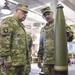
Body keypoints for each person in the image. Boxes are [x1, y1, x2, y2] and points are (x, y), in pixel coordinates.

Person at [37, 6, 74, 75]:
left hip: (58, 60)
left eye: (48, 14)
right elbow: (41, 45)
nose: (47, 16)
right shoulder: (43, 29)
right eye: (45, 15)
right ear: (43, 18)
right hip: (47, 61)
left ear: (52, 14)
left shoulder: (59, 23)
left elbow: (70, 38)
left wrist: (67, 32)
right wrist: (39, 58)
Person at [0, 4, 29, 75]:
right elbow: (3, 41)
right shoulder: (8, 22)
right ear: (16, 10)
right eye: (23, 12)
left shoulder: (20, 25)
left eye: (26, 13)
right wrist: (6, 58)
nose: (25, 15)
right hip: (11, 63)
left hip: (21, 62)